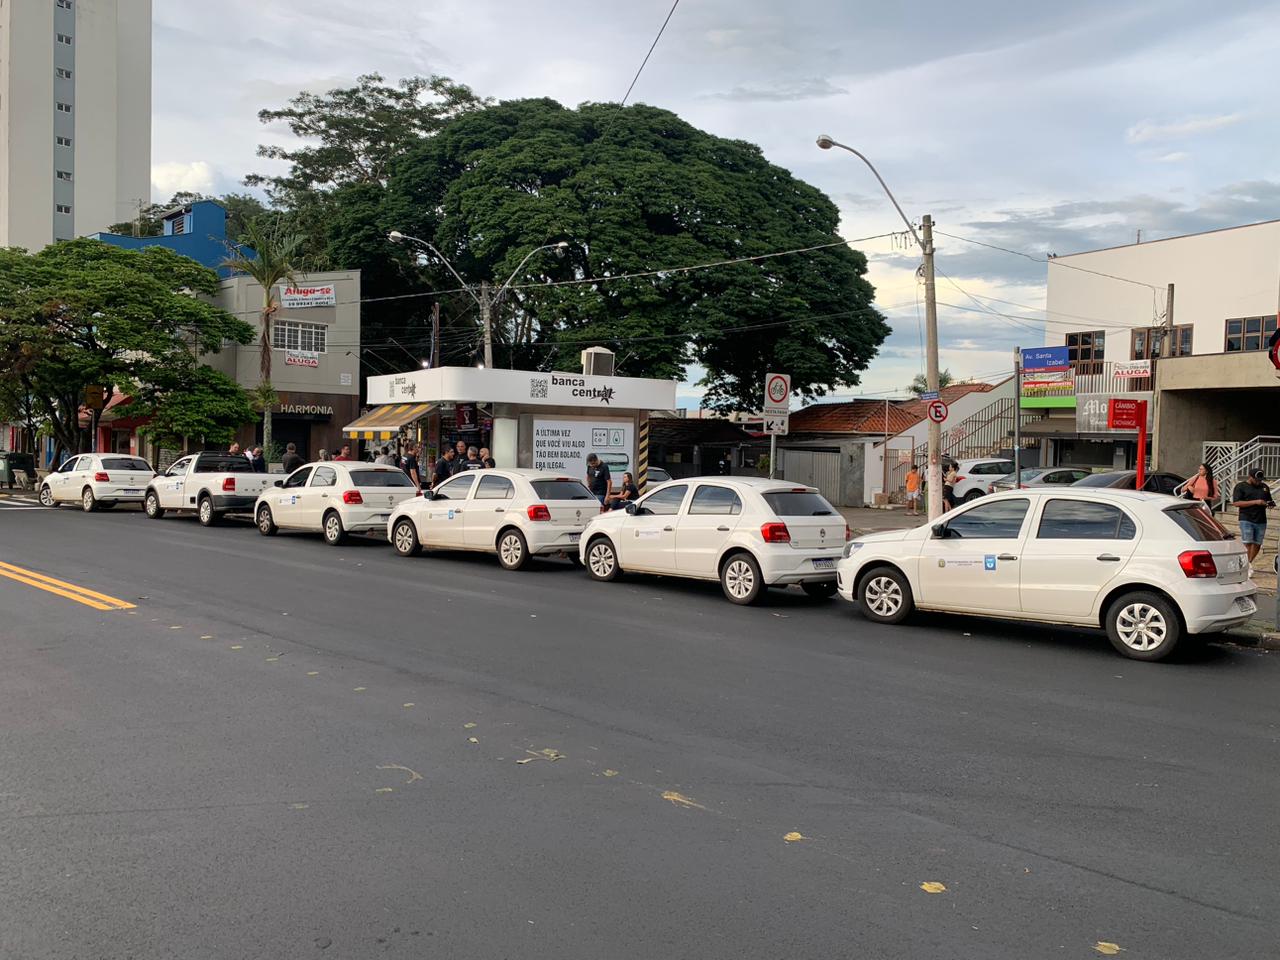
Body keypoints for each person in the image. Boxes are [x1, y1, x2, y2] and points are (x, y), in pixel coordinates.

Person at [1231, 468, 1274, 575]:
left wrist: (1269, 504)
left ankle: (1249, 563)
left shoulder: (1264, 487)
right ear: (1250, 477)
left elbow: (1269, 500)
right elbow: (1236, 503)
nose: (1259, 481)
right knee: (1248, 542)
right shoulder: (1241, 486)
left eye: (1260, 479)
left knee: (1257, 544)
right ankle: (1246, 566)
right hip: (1246, 518)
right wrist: (1256, 502)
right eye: (1257, 479)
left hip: (1261, 519)